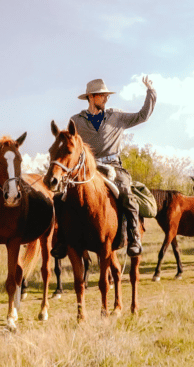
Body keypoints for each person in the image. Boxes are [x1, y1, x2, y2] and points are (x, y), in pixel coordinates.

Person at [51, 76, 156, 259]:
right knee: (61, 198)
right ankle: (61, 240)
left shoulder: (117, 116)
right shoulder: (76, 121)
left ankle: (134, 238)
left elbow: (143, 115)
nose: (106, 99)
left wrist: (150, 92)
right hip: (87, 169)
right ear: (91, 97)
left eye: (107, 96)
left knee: (125, 193)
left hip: (113, 167)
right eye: (102, 96)